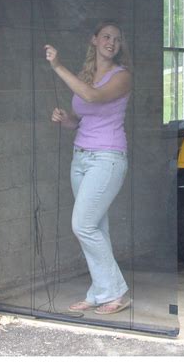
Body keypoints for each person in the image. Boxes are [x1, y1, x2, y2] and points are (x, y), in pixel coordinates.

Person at [45, 21, 132, 315]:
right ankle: (99, 293)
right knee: (95, 228)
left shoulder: (122, 77)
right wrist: (64, 119)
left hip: (107, 158)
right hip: (80, 157)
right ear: (94, 40)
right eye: (106, 36)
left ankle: (116, 291)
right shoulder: (85, 76)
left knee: (82, 224)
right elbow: (80, 120)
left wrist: (58, 66)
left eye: (117, 39)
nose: (111, 42)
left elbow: (93, 97)